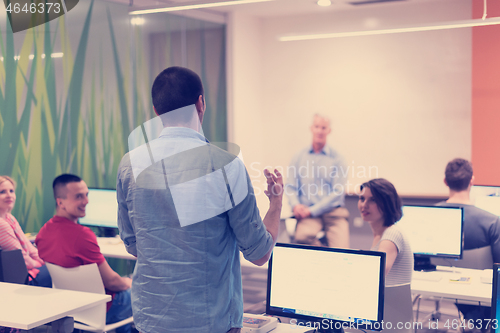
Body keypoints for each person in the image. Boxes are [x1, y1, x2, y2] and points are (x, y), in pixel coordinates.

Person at [116, 66, 282, 333]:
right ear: (201, 103)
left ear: (157, 110)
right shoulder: (224, 164)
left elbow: (133, 245)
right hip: (210, 323)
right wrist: (276, 205)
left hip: (150, 319)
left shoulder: (130, 164)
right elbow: (260, 253)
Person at [35, 174, 133, 333]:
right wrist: (129, 283)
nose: (86, 201)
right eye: (79, 196)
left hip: (69, 307)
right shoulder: (82, 235)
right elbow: (113, 283)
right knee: (139, 289)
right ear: (61, 202)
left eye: (86, 195)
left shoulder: (43, 233)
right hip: (99, 308)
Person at [436, 158, 500, 325]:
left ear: (445, 181)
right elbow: (498, 263)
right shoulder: (493, 221)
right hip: (479, 292)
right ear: (472, 180)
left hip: (437, 283)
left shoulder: (430, 216)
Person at [285, 114, 349, 248]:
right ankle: (323, 257)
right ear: (311, 128)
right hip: (308, 214)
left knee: (343, 251)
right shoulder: (298, 157)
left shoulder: (338, 159)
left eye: (324, 127)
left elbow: (337, 192)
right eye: (317, 127)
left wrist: (312, 210)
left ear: (329, 131)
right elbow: (291, 187)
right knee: (302, 238)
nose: (320, 131)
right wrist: (296, 205)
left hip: (333, 214)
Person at [358, 178, 413, 286]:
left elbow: (375, 274)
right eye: (362, 198)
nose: (364, 205)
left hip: (390, 303)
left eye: (372, 200)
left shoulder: (391, 234)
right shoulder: (381, 234)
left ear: (387, 203)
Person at [0, 175, 51, 287]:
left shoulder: (9, 218)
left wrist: (44, 260)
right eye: (2, 192)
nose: (9, 195)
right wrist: (41, 264)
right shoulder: (1, 224)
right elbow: (22, 260)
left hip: (26, 270)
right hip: (18, 279)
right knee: (58, 272)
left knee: (54, 266)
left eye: (11, 191)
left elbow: (29, 247)